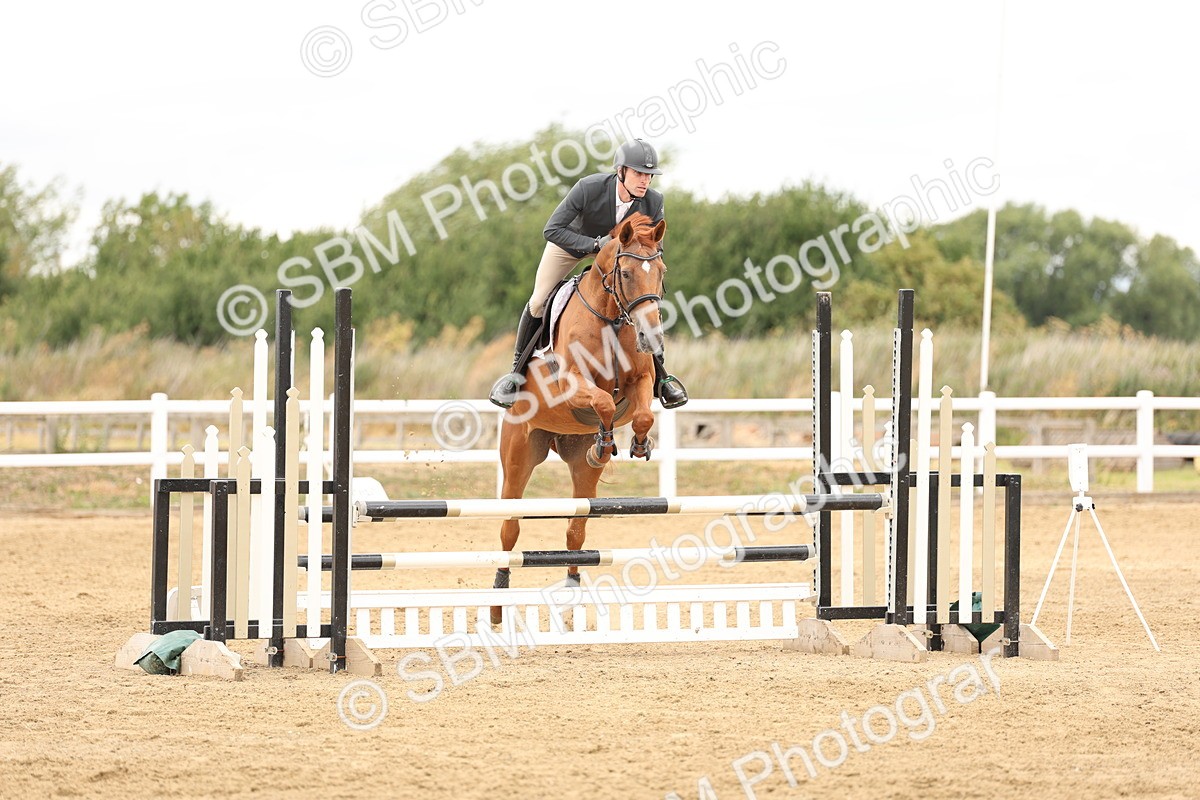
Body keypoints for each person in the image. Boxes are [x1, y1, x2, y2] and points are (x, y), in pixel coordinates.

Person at [488, 139, 688, 409]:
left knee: (647, 303)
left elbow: (654, 246)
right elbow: (552, 229)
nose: (645, 181)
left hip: (622, 258)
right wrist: (595, 245)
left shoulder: (654, 201)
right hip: (574, 245)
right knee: (538, 300)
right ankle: (516, 374)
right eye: (639, 173)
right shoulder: (588, 188)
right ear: (621, 171)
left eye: (649, 175)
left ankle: (661, 378)